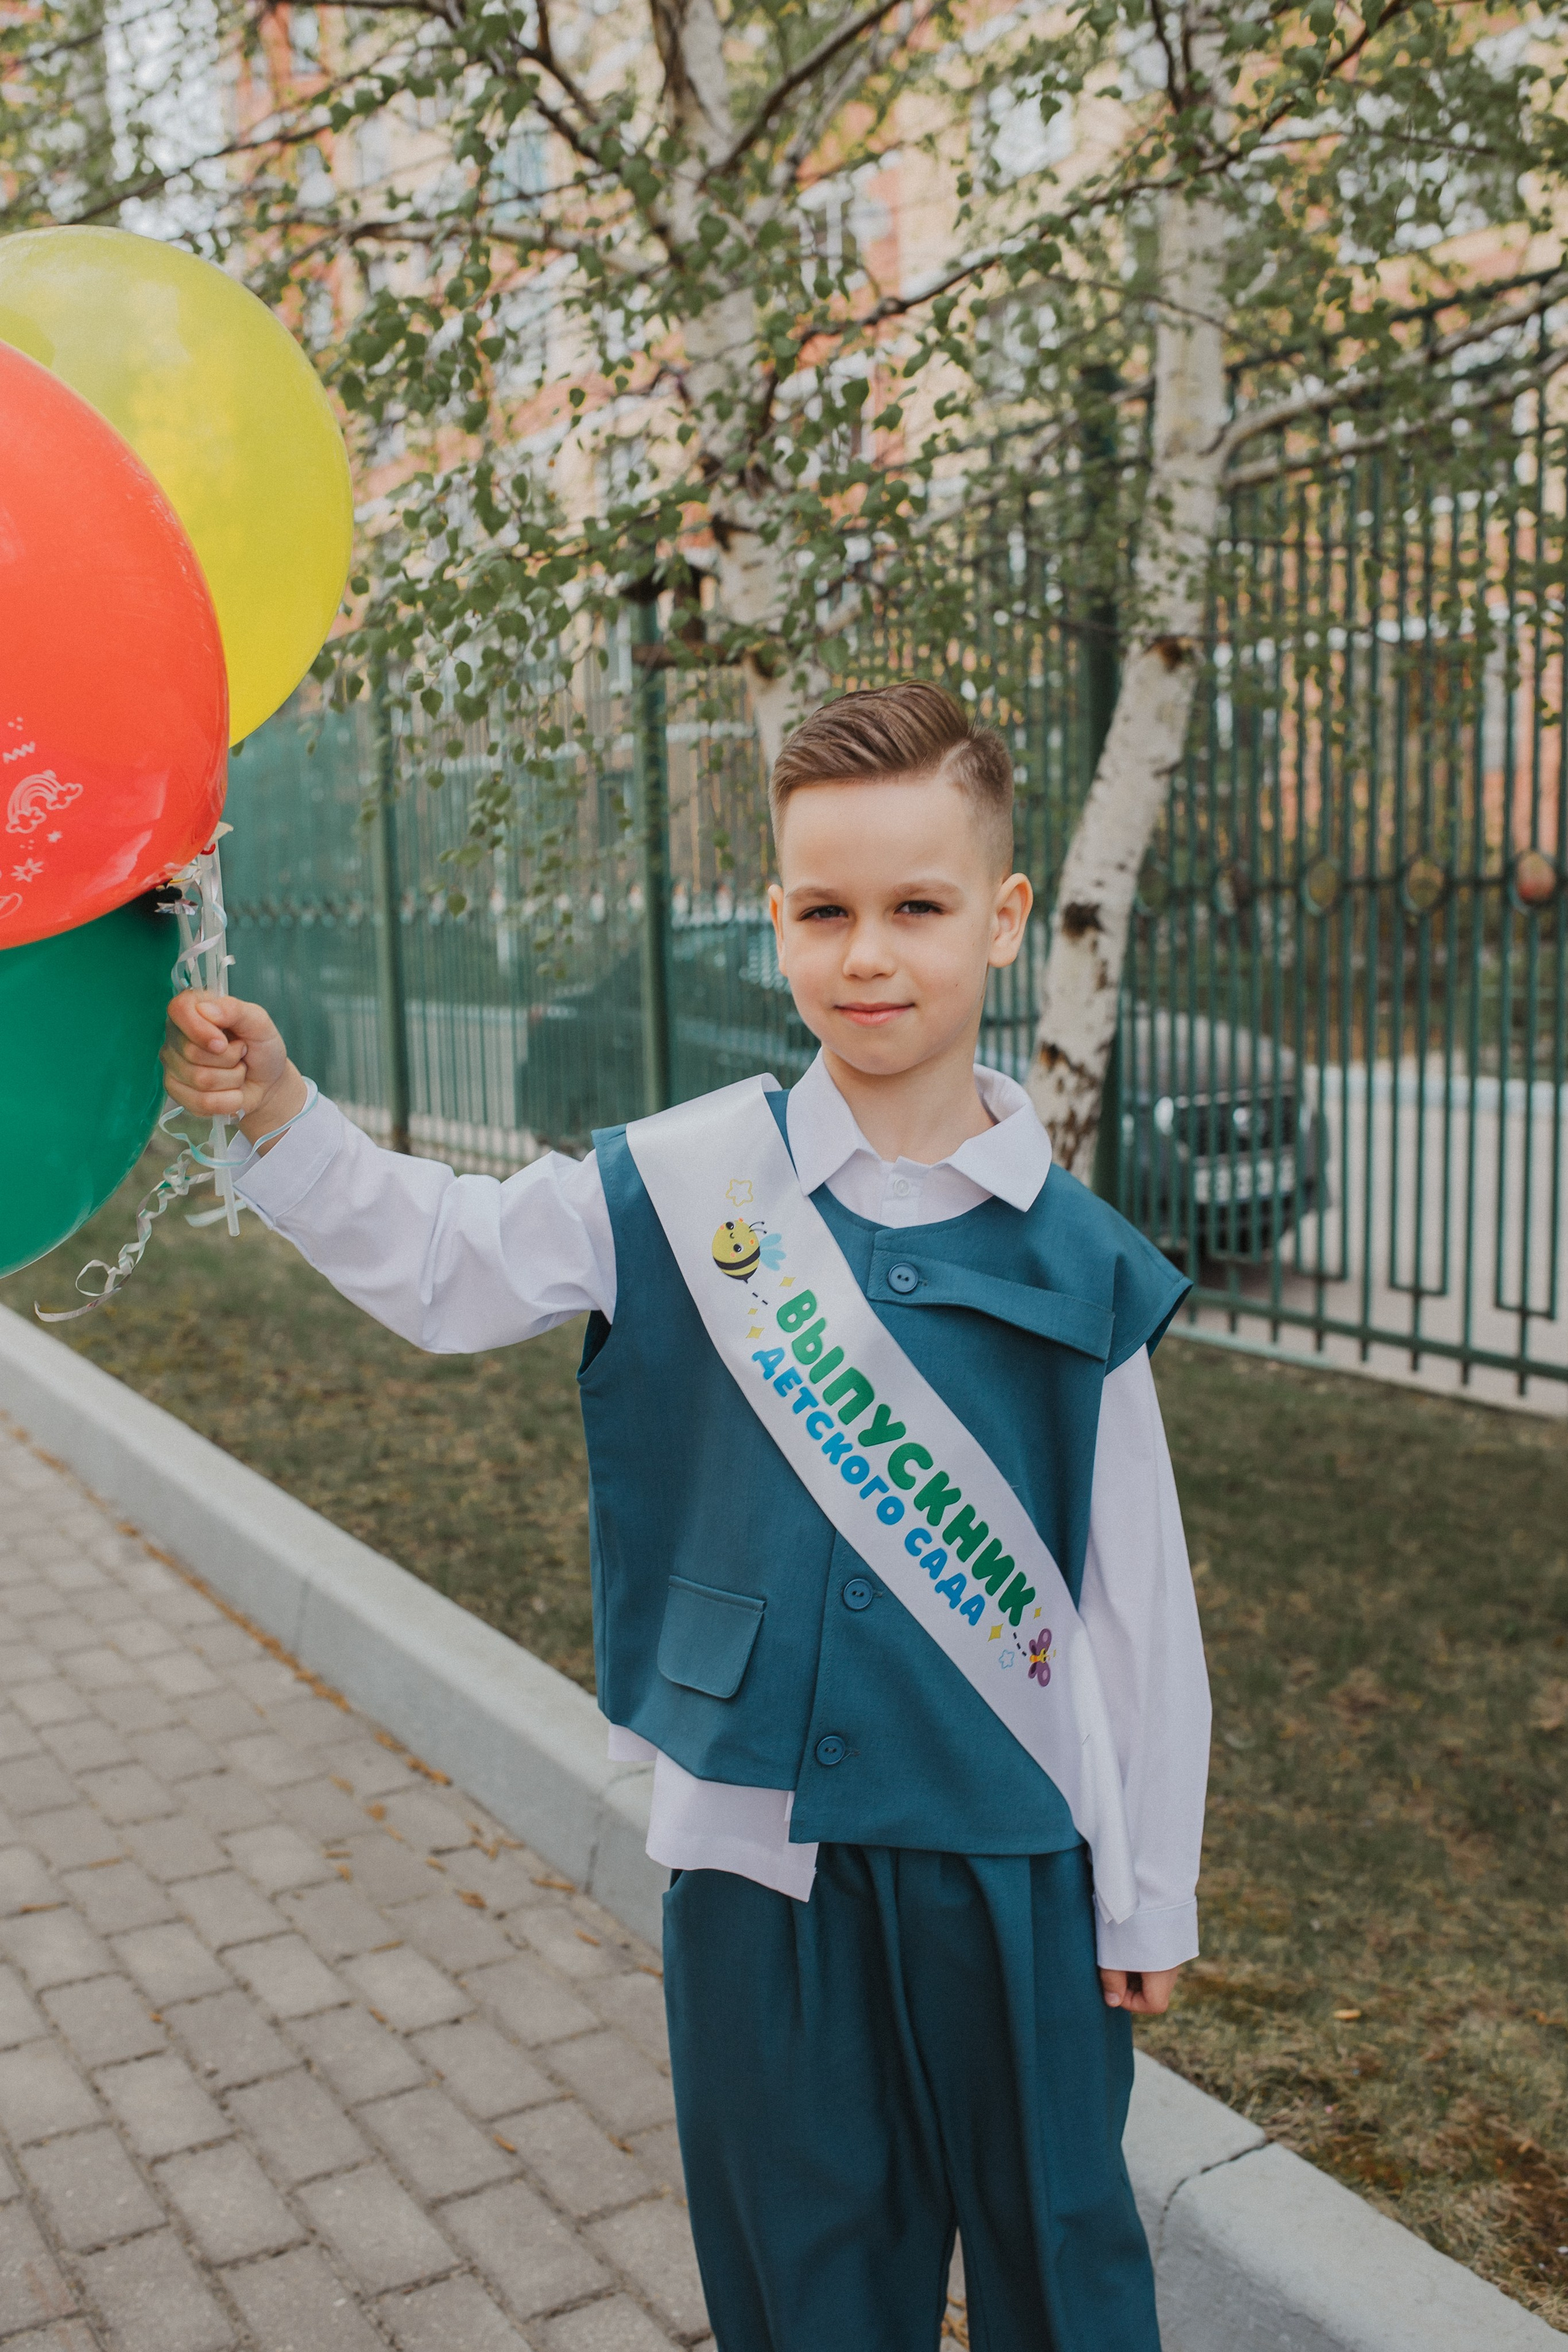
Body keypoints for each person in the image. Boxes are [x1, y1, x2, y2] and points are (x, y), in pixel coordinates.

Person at [162, 680, 1210, 2352]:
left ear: (1006, 920)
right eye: (825, 910)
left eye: (918, 909)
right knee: (802, 2274)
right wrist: (288, 1119)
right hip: (752, 1852)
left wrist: (1148, 1892)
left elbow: (1136, 1602)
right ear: (780, 918)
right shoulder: (679, 1182)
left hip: (1012, 1855)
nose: (868, 955)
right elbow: (446, 1264)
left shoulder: (1081, 1263)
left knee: (1061, 2267)